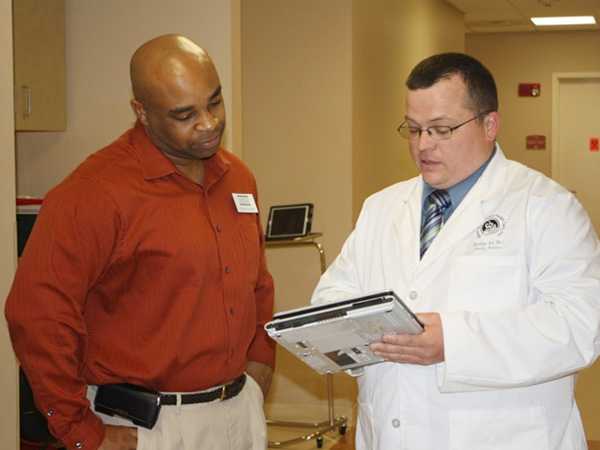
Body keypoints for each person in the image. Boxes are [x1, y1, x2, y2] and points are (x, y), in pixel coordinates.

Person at [311, 52, 600, 449]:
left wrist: (454, 340)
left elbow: (580, 326)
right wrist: (354, 329)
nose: (423, 145)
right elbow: (333, 297)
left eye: (441, 129)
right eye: (413, 129)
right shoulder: (382, 208)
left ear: (490, 124)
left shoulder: (547, 207)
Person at [5, 34, 275, 450]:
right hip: (148, 427)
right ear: (142, 113)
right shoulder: (93, 192)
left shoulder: (237, 177)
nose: (209, 123)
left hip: (237, 415)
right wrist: (80, 431)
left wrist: (259, 361)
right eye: (184, 114)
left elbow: (256, 280)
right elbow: (37, 314)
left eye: (215, 102)